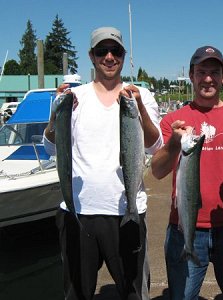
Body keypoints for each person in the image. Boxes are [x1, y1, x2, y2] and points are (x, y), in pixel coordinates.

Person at [43, 26, 163, 300]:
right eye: (101, 51)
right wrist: (56, 115)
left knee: (133, 293)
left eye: (115, 51)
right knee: (76, 293)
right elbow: (50, 147)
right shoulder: (74, 98)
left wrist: (140, 107)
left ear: (123, 55)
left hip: (126, 211)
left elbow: (155, 145)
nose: (109, 57)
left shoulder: (140, 96)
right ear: (92, 56)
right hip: (78, 213)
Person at [151, 45, 223, 299]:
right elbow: (157, 171)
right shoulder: (173, 120)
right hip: (185, 227)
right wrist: (173, 144)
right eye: (201, 72)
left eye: (214, 72)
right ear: (191, 76)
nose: (208, 78)